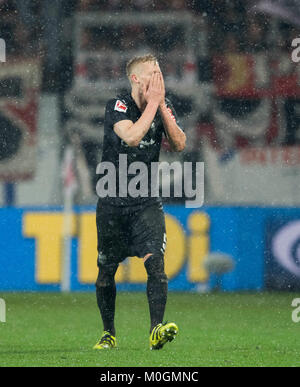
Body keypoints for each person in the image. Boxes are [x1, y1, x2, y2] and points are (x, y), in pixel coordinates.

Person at [94, 54, 186, 350]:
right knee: (107, 270)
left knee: (156, 265)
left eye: (160, 72)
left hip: (146, 201)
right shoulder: (117, 105)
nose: (158, 78)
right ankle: (109, 333)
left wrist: (159, 105)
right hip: (113, 201)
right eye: (152, 73)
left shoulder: (162, 106)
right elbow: (132, 136)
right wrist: (152, 107)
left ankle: (156, 329)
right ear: (135, 79)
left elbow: (179, 143)